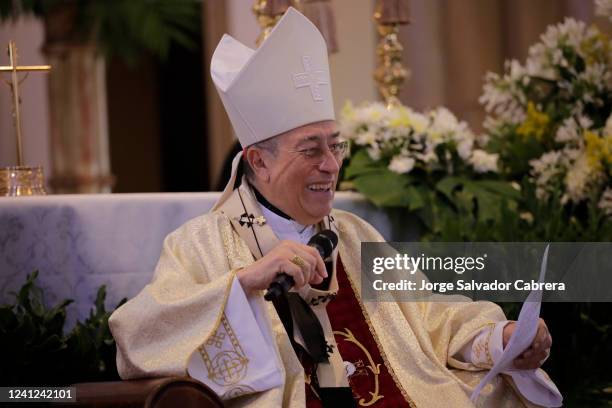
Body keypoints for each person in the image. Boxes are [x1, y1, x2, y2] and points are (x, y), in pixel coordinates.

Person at [109, 8, 561, 407]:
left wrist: (498, 339)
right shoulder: (201, 244)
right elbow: (138, 339)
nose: (331, 165)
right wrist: (242, 285)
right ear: (258, 161)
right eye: (310, 150)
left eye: (336, 146)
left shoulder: (353, 233)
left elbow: (432, 315)